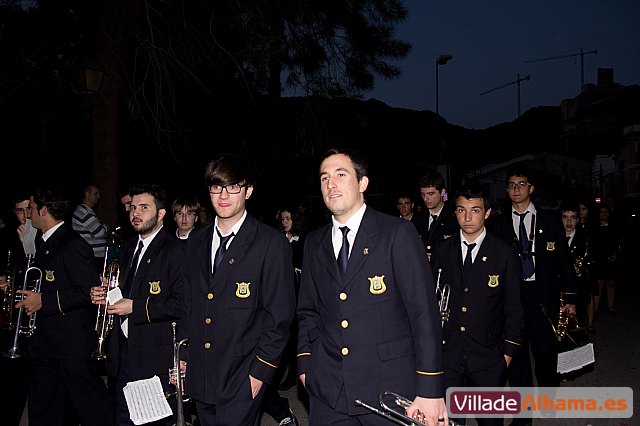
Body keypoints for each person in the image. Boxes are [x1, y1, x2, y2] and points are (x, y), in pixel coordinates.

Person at [297, 147, 448, 425]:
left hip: (387, 388)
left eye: (341, 174)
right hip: (328, 391)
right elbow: (308, 311)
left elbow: (424, 314)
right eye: (324, 177)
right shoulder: (313, 243)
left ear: (362, 183)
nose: (331, 184)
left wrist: (430, 390)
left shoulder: (397, 234)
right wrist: (306, 364)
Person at [181, 153, 296, 425]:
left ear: (249, 190)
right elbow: (190, 304)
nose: (223, 195)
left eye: (233, 186)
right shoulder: (196, 240)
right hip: (201, 371)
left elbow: (279, 317)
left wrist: (260, 373)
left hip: (242, 373)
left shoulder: (270, 243)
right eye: (216, 186)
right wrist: (183, 356)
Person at [16, 185, 114, 426]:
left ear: (44, 210)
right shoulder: (44, 241)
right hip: (46, 344)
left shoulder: (71, 244)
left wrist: (43, 301)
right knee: (45, 408)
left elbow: (90, 291)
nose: (28, 214)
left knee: (91, 406)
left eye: (31, 208)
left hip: (70, 345)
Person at [430, 181, 525, 426]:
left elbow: (514, 308)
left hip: (487, 357)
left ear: (487, 213)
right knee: (449, 421)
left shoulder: (504, 254)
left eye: (475, 210)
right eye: (461, 210)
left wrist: (507, 355)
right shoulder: (442, 250)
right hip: (449, 355)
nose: (468, 217)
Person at [91, 183, 185, 426]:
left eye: (144, 207)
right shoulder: (129, 247)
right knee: (124, 418)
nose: (136, 213)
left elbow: (181, 304)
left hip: (155, 355)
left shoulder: (176, 250)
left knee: (153, 420)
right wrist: (106, 294)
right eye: (133, 207)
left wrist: (135, 307)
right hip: (124, 352)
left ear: (161, 214)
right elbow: (126, 290)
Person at [489, 166, 576, 395]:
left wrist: (569, 297)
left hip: (542, 293)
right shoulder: (499, 224)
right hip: (513, 296)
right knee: (516, 353)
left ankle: (548, 395)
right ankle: (523, 407)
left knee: (545, 348)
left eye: (521, 184)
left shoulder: (549, 220)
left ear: (531, 188)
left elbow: (564, 261)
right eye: (511, 185)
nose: (516, 189)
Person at [560, 200, 591, 333]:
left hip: (577, 289)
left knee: (575, 330)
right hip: (559, 289)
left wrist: (579, 270)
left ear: (577, 220)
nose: (569, 222)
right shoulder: (555, 238)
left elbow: (589, 264)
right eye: (565, 218)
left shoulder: (584, 239)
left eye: (572, 218)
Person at [419, 169, 458, 261]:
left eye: (431, 194)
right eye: (423, 194)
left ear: (442, 192)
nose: (426, 199)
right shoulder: (417, 218)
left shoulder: (454, 219)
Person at [591, 203, 622, 314]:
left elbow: (619, 242)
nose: (605, 214)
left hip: (612, 258)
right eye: (602, 212)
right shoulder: (594, 227)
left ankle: (610, 305)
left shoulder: (615, 226)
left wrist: (616, 254)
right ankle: (595, 307)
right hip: (599, 258)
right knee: (598, 283)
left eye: (607, 212)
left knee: (611, 282)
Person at [72, 184, 110, 273]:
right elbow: (100, 232)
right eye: (95, 194)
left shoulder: (88, 212)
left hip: (94, 256)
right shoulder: (84, 212)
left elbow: (98, 232)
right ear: (87, 195)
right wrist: (105, 227)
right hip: (92, 256)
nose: (98, 197)